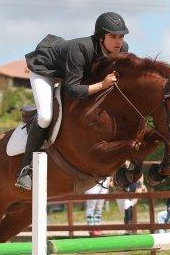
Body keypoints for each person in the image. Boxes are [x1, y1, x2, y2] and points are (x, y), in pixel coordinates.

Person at [17, 12, 130, 190]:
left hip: (71, 73)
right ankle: (26, 168)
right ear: (101, 36)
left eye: (121, 36)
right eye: (113, 36)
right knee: (45, 116)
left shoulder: (122, 49)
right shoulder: (80, 48)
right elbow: (71, 89)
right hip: (46, 71)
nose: (118, 41)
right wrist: (102, 84)